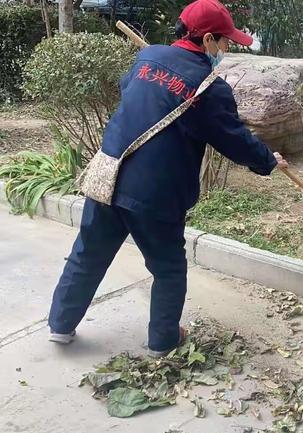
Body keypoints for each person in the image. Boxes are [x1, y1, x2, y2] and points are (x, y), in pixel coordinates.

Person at [48, 0, 288, 357]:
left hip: (109, 173)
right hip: (153, 194)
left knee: (88, 254)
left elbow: (131, 91)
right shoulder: (210, 89)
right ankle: (163, 341)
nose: (226, 50)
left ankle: (60, 326)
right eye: (224, 42)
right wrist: (268, 161)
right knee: (169, 269)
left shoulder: (148, 59)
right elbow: (233, 138)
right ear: (207, 39)